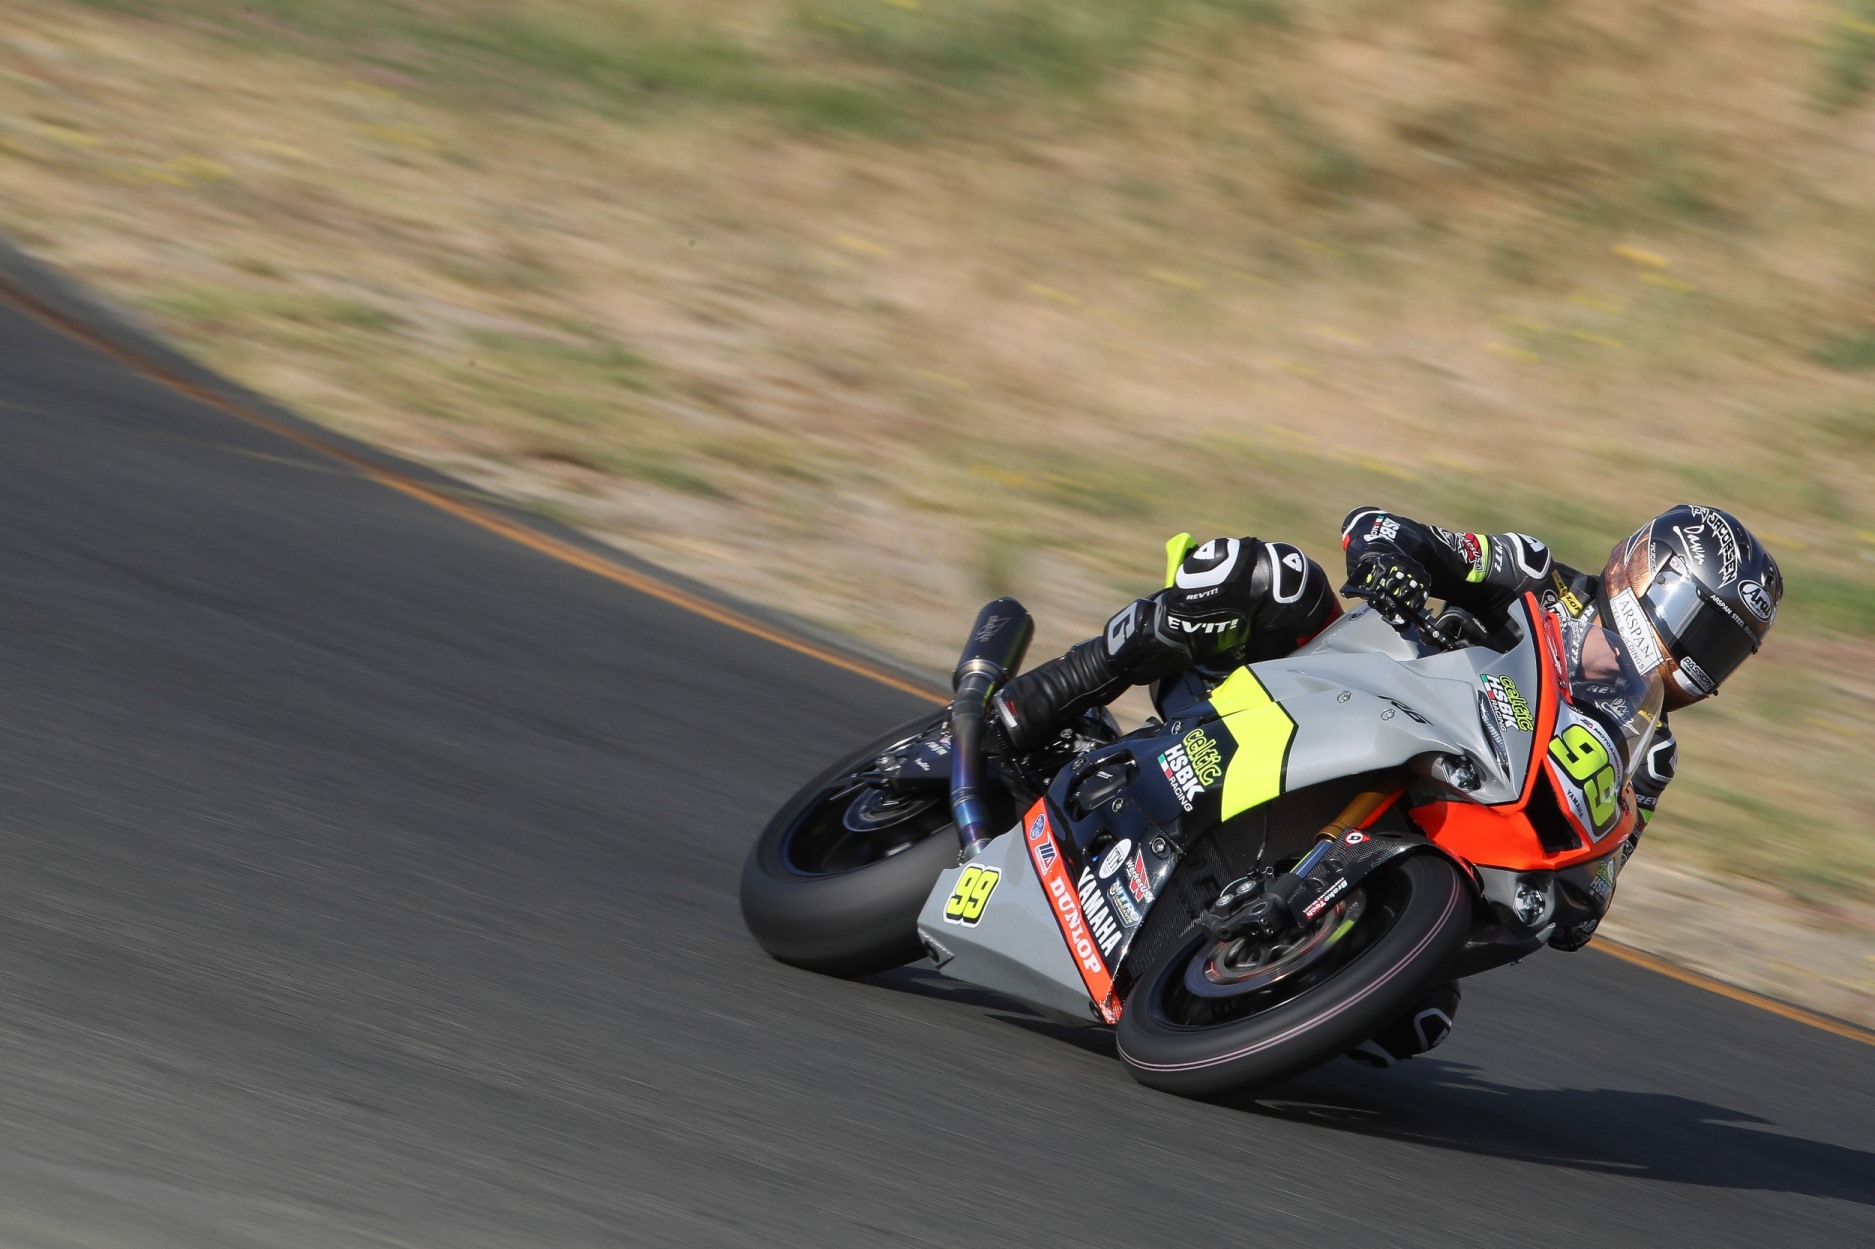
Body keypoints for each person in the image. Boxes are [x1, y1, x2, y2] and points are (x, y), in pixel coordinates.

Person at [991, 504, 1782, 1064]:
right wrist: (1391, 568)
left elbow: (1596, 875)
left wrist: (1574, 897)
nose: (1695, 654)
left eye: (1722, 646)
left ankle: (1255, 971)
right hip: (1328, 686)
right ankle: (1047, 696)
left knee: (1418, 1019)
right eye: (1697, 620)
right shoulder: (1539, 578)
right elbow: (1382, 527)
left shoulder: (1644, 756)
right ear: (1643, 569)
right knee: (1263, 574)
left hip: (1435, 814)